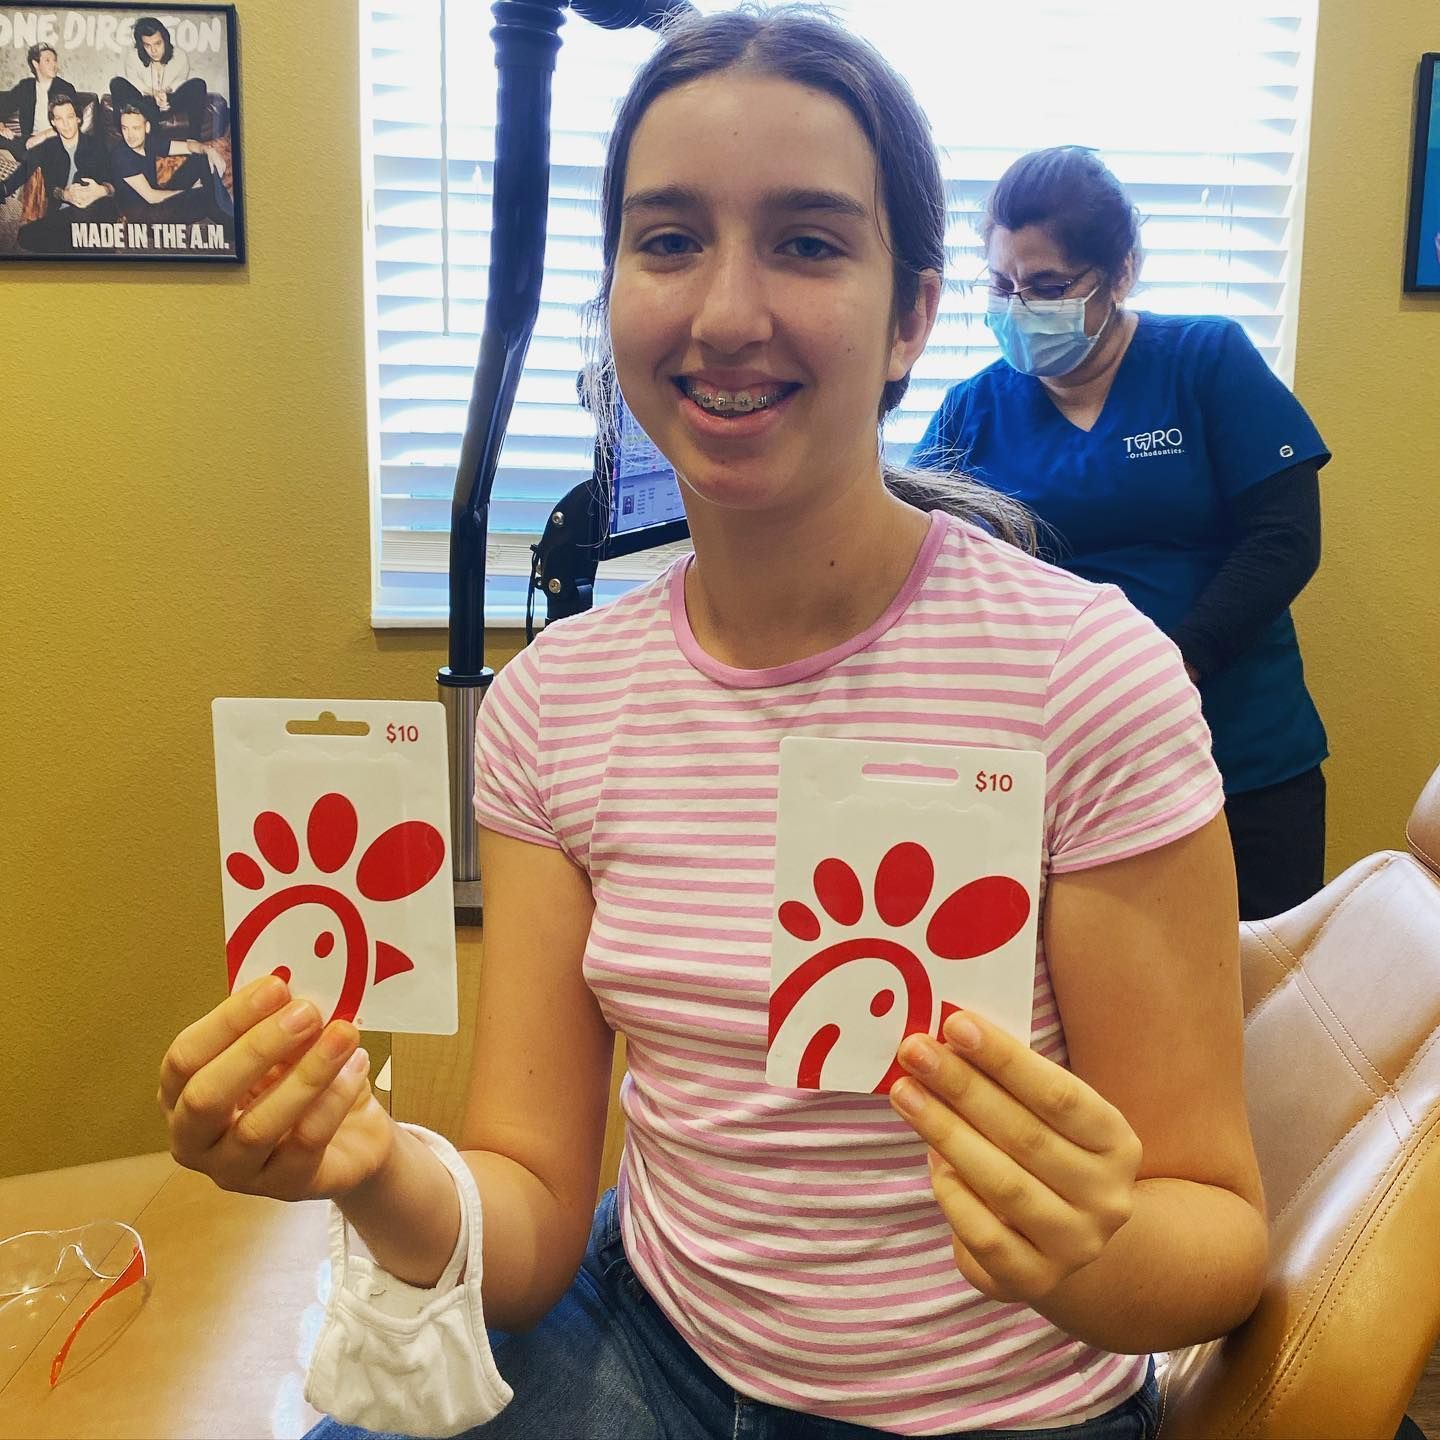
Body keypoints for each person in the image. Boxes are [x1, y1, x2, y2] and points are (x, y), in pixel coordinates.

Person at [159, 12, 1267, 1440]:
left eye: (808, 242)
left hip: (989, 1404)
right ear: (615, 284)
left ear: (914, 314)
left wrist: (1093, 1247)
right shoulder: (557, 703)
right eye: (668, 239)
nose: (724, 313)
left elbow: (1220, 1239)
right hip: (649, 1333)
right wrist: (371, 1163)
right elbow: (538, 1211)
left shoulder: (1085, 677)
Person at [913, 146, 1330, 922]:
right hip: (1051, 772)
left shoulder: (1205, 361)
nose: (1018, 306)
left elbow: (1284, 538)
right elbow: (913, 560)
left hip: (1237, 754)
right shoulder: (975, 407)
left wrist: (1171, 668)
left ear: (1122, 272)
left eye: (1047, 287)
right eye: (1001, 286)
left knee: (1255, 1005)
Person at [16, 93, 117, 252]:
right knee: (24, 236)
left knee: (83, 220)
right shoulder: (49, 148)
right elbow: (50, 188)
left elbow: (114, 180)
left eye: (70, 117)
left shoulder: (96, 145)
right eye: (59, 119)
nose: (66, 124)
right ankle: (88, 246)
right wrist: (65, 195)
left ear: (78, 118)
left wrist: (102, 190)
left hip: (95, 207)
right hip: (64, 215)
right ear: (53, 122)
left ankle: (86, 246)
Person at [110, 104, 231, 226]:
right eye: (125, 128)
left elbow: (188, 146)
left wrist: (208, 150)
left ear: (147, 127)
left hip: (160, 200)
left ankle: (218, 202)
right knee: (206, 196)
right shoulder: (121, 156)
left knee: (201, 159)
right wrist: (190, 192)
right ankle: (226, 217)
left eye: (135, 128)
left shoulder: (149, 142)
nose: (130, 136)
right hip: (145, 218)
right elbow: (151, 197)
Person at [0, 43, 78, 203]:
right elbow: (3, 105)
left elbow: (76, 121)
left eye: (54, 60)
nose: (54, 64)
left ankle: (5, 188)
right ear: (36, 64)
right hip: (27, 140)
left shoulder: (65, 88)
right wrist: (1, 125)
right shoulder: (25, 87)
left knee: (40, 149)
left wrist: (42, 136)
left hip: (55, 142)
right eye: (48, 60)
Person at [110, 16, 209, 139]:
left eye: (158, 43)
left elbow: (180, 81)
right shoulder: (133, 57)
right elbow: (135, 83)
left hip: (170, 101)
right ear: (141, 45)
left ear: (165, 40)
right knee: (116, 83)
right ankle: (141, 138)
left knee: (198, 84)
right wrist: (153, 94)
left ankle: (194, 140)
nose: (153, 50)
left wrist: (166, 96)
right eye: (147, 45)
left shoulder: (179, 55)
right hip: (146, 103)